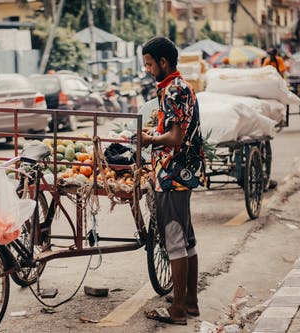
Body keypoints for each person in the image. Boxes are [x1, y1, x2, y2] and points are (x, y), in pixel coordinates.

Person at [140, 36, 206, 325]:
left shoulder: (174, 91)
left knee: (175, 239)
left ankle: (178, 310)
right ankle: (190, 302)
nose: (148, 70)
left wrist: (148, 138)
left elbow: (176, 137)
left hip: (172, 174)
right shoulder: (177, 87)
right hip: (180, 172)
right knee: (187, 239)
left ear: (164, 62)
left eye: (150, 64)